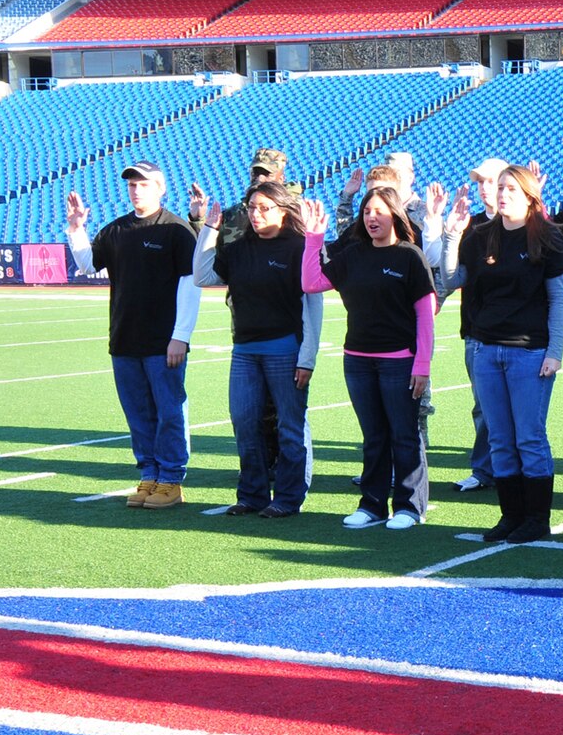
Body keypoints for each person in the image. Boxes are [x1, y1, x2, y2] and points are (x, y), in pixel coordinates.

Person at [441, 165, 563, 543]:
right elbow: (452, 280)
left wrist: (555, 352)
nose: (502, 193)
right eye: (500, 188)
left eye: (511, 188)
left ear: (529, 195)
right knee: (499, 437)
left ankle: (536, 519)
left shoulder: (547, 236)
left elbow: (558, 299)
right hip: (485, 348)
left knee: (529, 436)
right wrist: (450, 236)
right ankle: (510, 515)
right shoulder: (480, 236)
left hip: (529, 351)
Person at [66, 163, 201, 510]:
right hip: (124, 338)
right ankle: (149, 473)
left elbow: (190, 285)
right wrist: (76, 228)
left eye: (143, 184)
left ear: (160, 188)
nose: (136, 190)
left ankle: (171, 479)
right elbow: (87, 264)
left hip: (163, 342)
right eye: (131, 185)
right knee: (138, 413)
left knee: (169, 410)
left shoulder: (176, 229)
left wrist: (181, 336)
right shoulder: (116, 230)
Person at [302, 188, 435, 530]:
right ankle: (373, 505)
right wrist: (314, 238)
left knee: (404, 434)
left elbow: (425, 315)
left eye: (379, 211)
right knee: (374, 435)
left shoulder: (410, 256)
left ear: (395, 214)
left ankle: (409, 506)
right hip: (357, 360)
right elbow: (311, 281)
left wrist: (422, 365)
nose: (371, 217)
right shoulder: (353, 254)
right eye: (366, 212)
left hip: (399, 361)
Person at [193, 180, 323, 518]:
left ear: (283, 210)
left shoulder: (298, 247)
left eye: (264, 208)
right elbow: (202, 275)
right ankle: (251, 494)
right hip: (245, 351)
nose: (256, 214)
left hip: (286, 350)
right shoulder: (239, 248)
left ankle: (289, 497)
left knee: (290, 425)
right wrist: (209, 229)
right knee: (245, 420)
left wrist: (307, 357)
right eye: (252, 207)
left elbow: (313, 305)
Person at [449, 158, 508, 495]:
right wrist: (446, 233)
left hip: (517, 336)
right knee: (483, 405)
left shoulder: (522, 225)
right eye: (480, 182)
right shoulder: (469, 226)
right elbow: (452, 275)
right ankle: (485, 468)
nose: (485, 187)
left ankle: (512, 467)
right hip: (476, 330)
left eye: (491, 181)